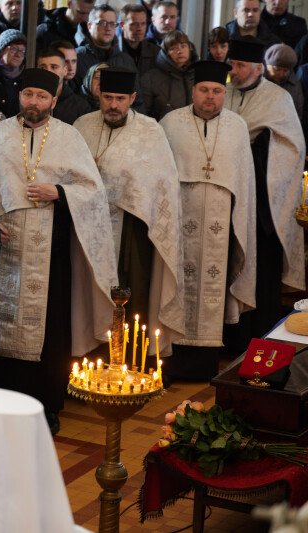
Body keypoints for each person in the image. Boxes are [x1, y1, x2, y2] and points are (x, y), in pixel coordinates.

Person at [0, 68, 116, 435]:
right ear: (19, 96)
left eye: (41, 96)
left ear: (54, 100)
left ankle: (47, 405)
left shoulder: (69, 137)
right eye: (28, 94)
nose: (33, 102)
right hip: (4, 245)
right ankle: (0, 398)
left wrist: (60, 192)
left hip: (51, 245)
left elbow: (93, 191)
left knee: (50, 327)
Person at [73, 68, 184, 357]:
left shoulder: (150, 130)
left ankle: (131, 359)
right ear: (98, 95)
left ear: (132, 98)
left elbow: (162, 183)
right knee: (89, 290)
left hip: (132, 227)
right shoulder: (82, 126)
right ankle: (94, 357)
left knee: (131, 291)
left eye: (120, 99)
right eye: (107, 97)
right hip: (89, 226)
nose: (113, 105)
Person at [160, 61, 256, 381]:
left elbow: (244, 182)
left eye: (217, 91)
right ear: (193, 91)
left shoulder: (237, 126)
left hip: (220, 222)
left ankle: (204, 366)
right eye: (204, 90)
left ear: (224, 93)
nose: (210, 97)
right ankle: (172, 361)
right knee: (177, 281)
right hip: (179, 219)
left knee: (213, 283)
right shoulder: (170, 123)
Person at [224, 37, 305, 349]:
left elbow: (293, 148)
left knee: (261, 272)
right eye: (231, 64)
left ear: (258, 68)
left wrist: (256, 146)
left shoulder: (278, 98)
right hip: (228, 197)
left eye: (240, 65)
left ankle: (259, 341)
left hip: (262, 205)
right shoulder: (224, 93)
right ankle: (230, 338)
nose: (233, 70)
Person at [75, 4, 138, 91]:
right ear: (89, 26)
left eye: (112, 24)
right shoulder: (76, 57)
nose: (108, 28)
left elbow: (136, 95)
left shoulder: (126, 61)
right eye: (102, 23)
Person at [140, 30, 197, 120]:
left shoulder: (199, 75)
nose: (179, 51)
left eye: (183, 46)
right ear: (166, 52)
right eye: (173, 48)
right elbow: (142, 113)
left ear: (190, 48)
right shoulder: (151, 78)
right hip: (160, 127)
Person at [38, 47, 91, 124]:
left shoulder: (81, 107)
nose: (48, 71)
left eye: (54, 67)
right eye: (43, 67)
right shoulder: (27, 101)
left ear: (65, 70)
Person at [118, 4, 160, 78]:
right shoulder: (112, 50)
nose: (139, 28)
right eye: (134, 24)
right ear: (122, 25)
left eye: (143, 24)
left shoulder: (155, 52)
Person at [264, 43, 304, 119]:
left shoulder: (294, 84)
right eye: (277, 69)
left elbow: (298, 112)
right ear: (267, 65)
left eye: (285, 70)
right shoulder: (259, 80)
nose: (281, 74)